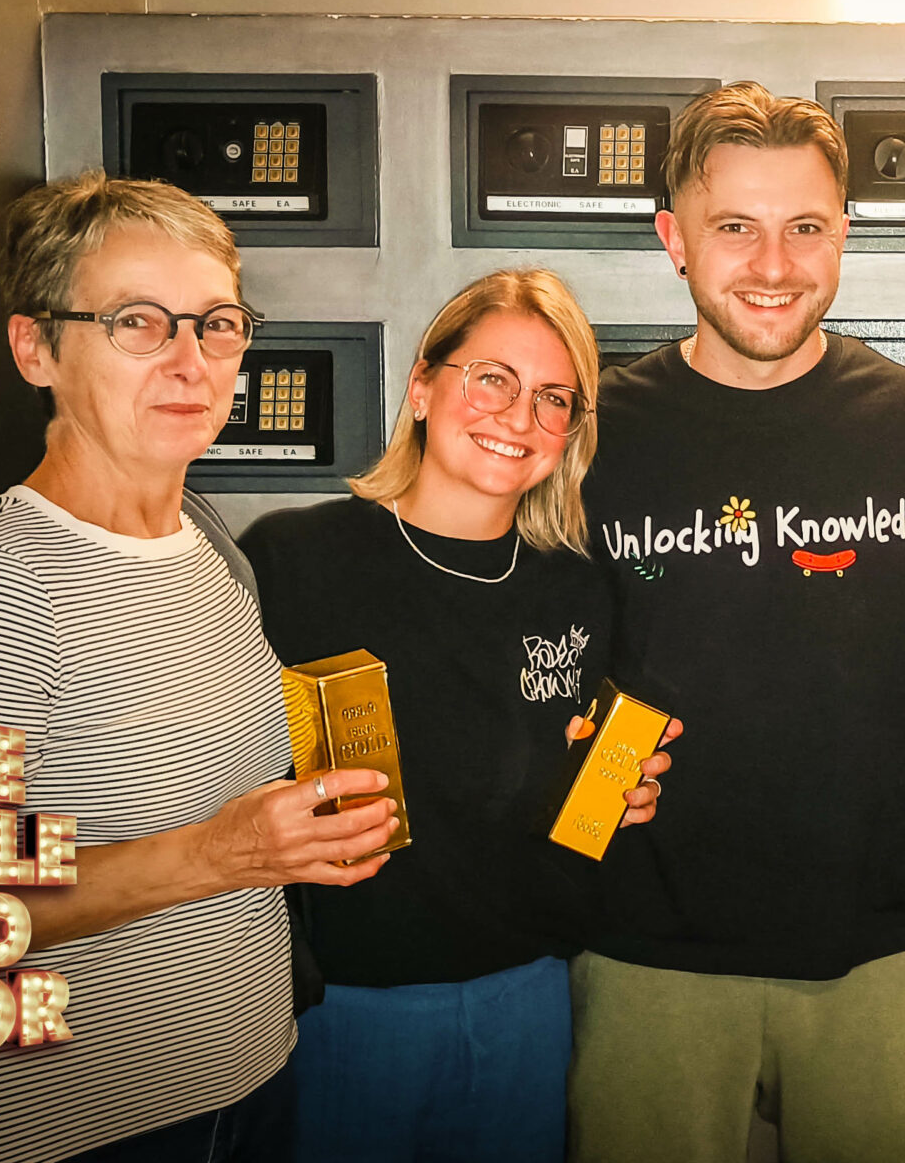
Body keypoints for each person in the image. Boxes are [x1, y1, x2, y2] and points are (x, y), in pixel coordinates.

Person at [0, 172, 396, 1163]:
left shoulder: (207, 542)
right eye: (137, 323)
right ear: (36, 349)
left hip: (249, 1087)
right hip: (61, 1134)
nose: (190, 362)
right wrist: (217, 854)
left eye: (217, 325)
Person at [568, 82, 905, 1163]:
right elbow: (542, 653)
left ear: (844, 235)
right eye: (735, 228)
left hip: (883, 941)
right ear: (674, 240)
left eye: (805, 228)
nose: (774, 264)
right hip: (646, 942)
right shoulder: (595, 432)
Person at [236, 269, 676, 1163]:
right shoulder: (293, 559)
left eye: (553, 398)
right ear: (422, 387)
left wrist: (623, 792)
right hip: (344, 1007)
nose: (519, 417)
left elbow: (571, 791)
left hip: (530, 997)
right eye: (492, 380)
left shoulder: (580, 588)